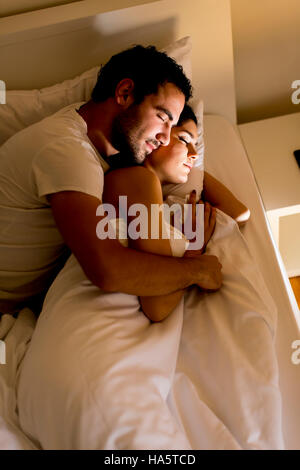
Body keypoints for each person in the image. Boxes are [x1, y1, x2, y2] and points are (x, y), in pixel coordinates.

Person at [0, 44, 222, 319]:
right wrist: (197, 266)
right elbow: (107, 269)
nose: (165, 137)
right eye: (163, 118)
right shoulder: (66, 150)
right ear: (125, 93)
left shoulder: (105, 142)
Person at [102, 104, 250, 322]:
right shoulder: (137, 180)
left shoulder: (158, 197)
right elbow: (157, 306)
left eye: (196, 145)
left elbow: (239, 214)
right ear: (156, 136)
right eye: (183, 139)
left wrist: (193, 172)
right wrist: (193, 248)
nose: (193, 153)